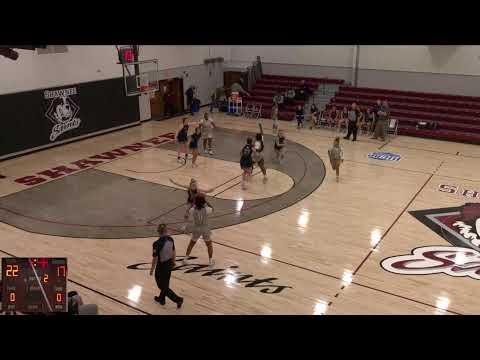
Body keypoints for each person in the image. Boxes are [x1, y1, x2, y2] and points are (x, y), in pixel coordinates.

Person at [150, 224, 184, 308]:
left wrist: (152, 268)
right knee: (165, 283)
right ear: (166, 230)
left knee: (161, 285)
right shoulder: (170, 239)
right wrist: (173, 261)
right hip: (169, 263)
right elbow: (173, 251)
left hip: (161, 266)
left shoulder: (157, 243)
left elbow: (155, 258)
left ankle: (178, 299)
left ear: (158, 232)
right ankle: (162, 299)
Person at [183, 194, 215, 267]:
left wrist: (193, 204)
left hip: (196, 228)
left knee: (191, 243)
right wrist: (207, 201)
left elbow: (188, 210)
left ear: (195, 202)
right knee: (209, 245)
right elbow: (212, 208)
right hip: (205, 229)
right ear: (204, 201)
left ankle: (185, 259)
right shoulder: (207, 209)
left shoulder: (193, 210)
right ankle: (210, 260)